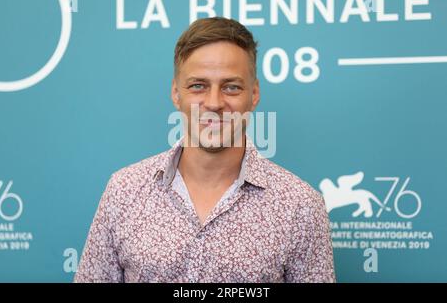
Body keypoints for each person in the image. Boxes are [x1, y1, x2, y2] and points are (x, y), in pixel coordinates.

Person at [74, 17, 335, 283]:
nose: (214, 102)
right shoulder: (123, 191)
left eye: (231, 87)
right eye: (198, 85)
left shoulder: (301, 206)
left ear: (254, 94)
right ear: (176, 94)